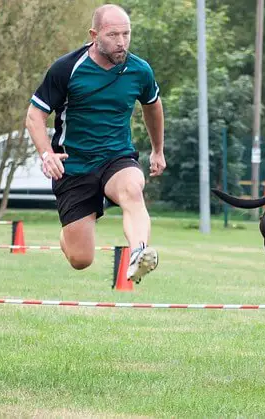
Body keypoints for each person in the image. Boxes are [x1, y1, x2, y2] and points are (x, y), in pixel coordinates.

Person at [25, 4, 165, 284]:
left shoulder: (139, 70)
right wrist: (46, 153)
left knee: (132, 189)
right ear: (94, 34)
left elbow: (153, 106)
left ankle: (138, 252)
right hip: (74, 165)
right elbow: (34, 115)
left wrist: (158, 150)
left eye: (126, 34)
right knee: (81, 259)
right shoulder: (67, 68)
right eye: (113, 35)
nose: (121, 42)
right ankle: (68, 233)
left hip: (117, 157)